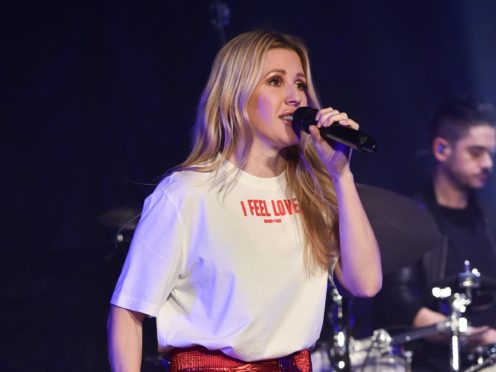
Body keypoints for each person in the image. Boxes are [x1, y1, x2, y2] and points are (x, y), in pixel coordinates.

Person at [107, 30, 382, 372]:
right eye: (275, 81)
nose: (295, 97)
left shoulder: (313, 190)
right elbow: (128, 311)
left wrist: (341, 176)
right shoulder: (188, 192)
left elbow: (366, 282)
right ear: (236, 95)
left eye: (300, 84)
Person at [378, 96, 496, 371]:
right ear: (442, 149)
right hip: (438, 363)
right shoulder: (409, 222)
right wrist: (470, 336)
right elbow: (399, 303)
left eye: (490, 154)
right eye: (476, 152)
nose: (488, 164)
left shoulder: (491, 220)